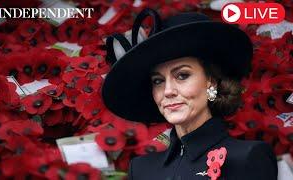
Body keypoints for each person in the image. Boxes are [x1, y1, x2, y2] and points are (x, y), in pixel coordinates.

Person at [102, 8, 278, 180]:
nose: (168, 91)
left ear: (212, 82)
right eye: (158, 81)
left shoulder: (247, 158)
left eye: (182, 75)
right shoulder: (141, 169)